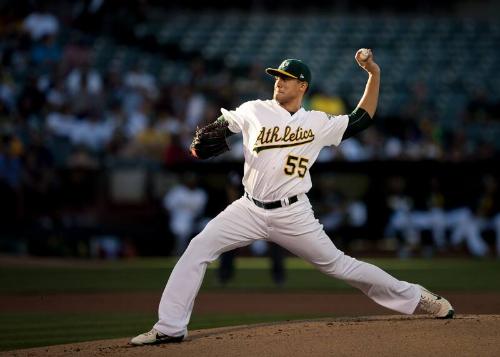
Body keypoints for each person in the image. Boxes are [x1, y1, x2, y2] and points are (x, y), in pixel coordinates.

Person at [131, 50, 454, 346]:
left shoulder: (316, 122)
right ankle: (170, 327)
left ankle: (416, 297)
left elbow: (361, 118)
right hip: (248, 208)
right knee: (198, 248)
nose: (279, 83)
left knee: (341, 266)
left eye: (286, 78)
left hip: (293, 213)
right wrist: (204, 137)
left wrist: (373, 74)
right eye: (277, 77)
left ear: (302, 85)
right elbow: (219, 126)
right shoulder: (254, 109)